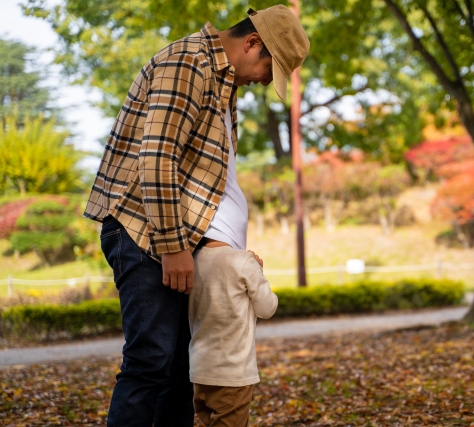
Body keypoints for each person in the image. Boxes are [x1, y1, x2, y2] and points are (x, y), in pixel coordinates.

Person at [83, 5, 310, 426]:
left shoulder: (222, 82)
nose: (264, 81)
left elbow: (200, 178)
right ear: (252, 42)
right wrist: (173, 248)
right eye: (269, 68)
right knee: (150, 361)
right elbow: (156, 157)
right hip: (143, 235)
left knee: (177, 370)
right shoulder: (189, 63)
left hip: (176, 240)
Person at [189, 242, 278, 426]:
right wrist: (258, 271)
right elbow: (267, 308)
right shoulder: (243, 260)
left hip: (199, 372)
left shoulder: (193, 259)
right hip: (232, 373)